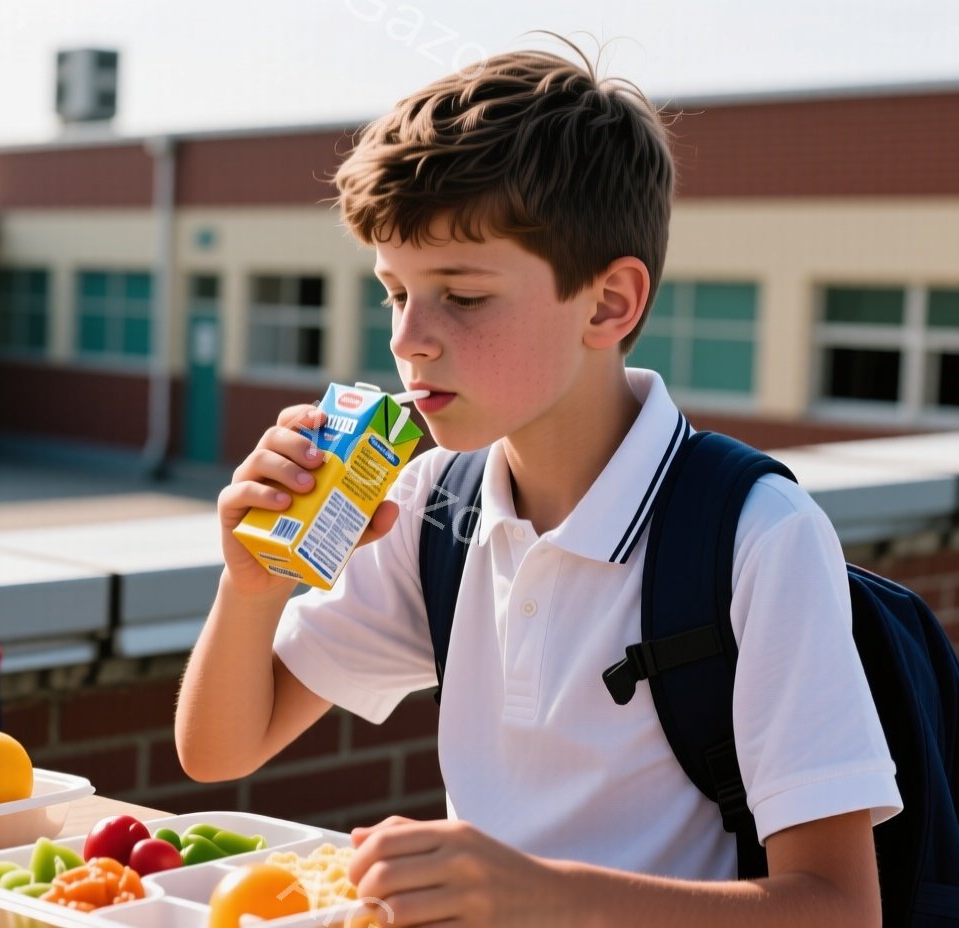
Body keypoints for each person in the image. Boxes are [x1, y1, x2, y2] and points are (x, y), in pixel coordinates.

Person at [175, 43, 903, 927]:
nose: (408, 338)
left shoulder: (757, 533)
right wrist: (253, 587)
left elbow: (839, 909)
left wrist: (543, 896)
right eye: (394, 293)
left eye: (462, 296)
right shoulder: (433, 503)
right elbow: (220, 750)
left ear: (608, 304)